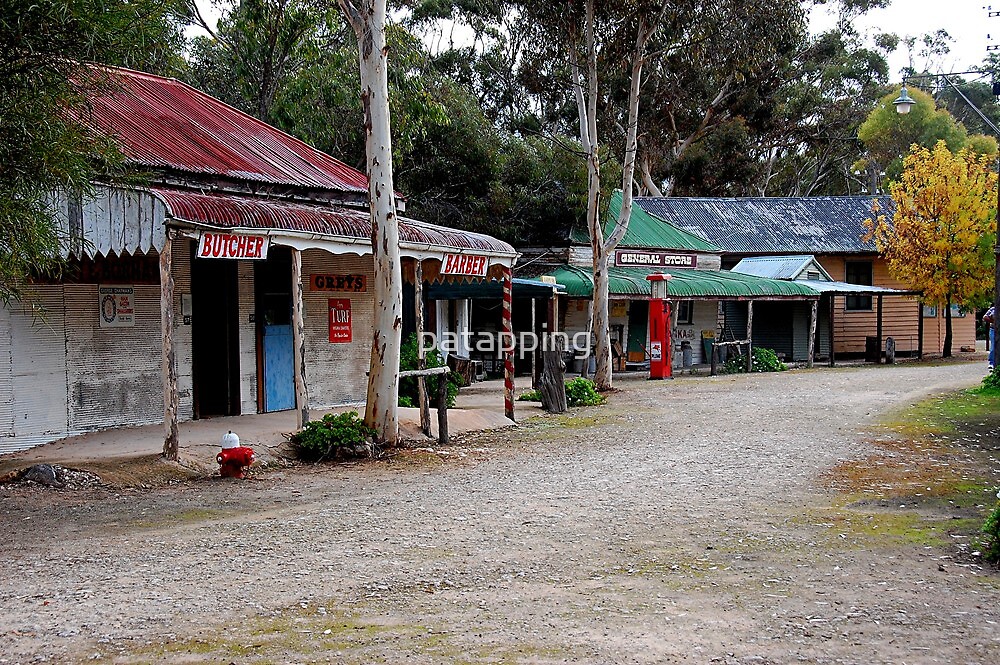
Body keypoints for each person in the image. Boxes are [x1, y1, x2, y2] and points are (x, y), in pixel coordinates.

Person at [984, 306, 996, 370]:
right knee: (993, 346)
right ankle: (991, 362)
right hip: (993, 330)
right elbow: (985, 317)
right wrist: (993, 321)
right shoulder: (993, 309)